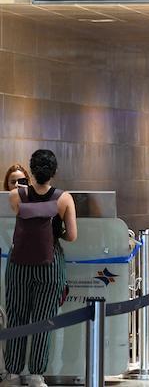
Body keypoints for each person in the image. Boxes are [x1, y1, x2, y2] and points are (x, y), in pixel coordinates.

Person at [3, 150, 78, 387]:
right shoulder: (64, 198)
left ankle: (12, 374)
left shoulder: (16, 195)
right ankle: (36, 374)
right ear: (54, 171)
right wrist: (56, 232)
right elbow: (72, 236)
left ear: (31, 170)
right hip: (50, 263)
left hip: (19, 264)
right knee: (43, 319)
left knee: (17, 316)